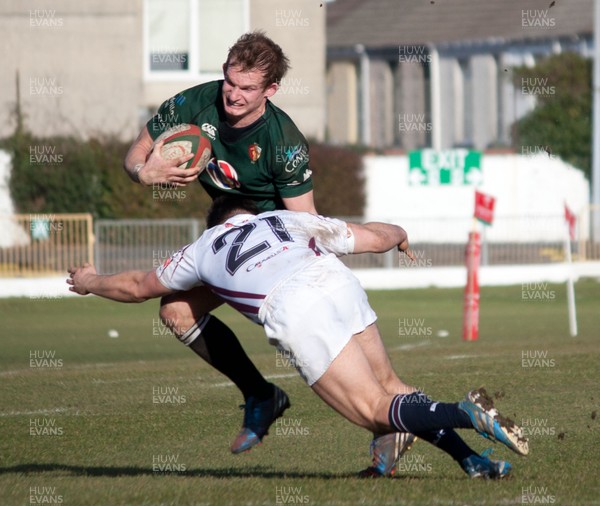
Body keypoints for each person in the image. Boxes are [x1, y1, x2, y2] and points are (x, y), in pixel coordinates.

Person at [68, 197, 529, 479]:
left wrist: (90, 281)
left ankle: (464, 412)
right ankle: (473, 462)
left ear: (216, 222)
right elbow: (373, 236)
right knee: (391, 388)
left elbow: (135, 287)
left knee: (374, 412)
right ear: (249, 212)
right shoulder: (286, 220)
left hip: (294, 308)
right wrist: (402, 235)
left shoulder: (204, 246)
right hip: (336, 281)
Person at [122, 31, 317, 455]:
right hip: (231, 243)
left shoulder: (284, 141)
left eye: (247, 88)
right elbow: (134, 154)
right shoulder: (193, 103)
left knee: (309, 345)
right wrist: (143, 172)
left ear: (271, 90)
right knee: (176, 310)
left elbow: (306, 222)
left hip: (278, 251)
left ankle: (388, 420)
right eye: (229, 82)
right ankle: (261, 396)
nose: (233, 94)